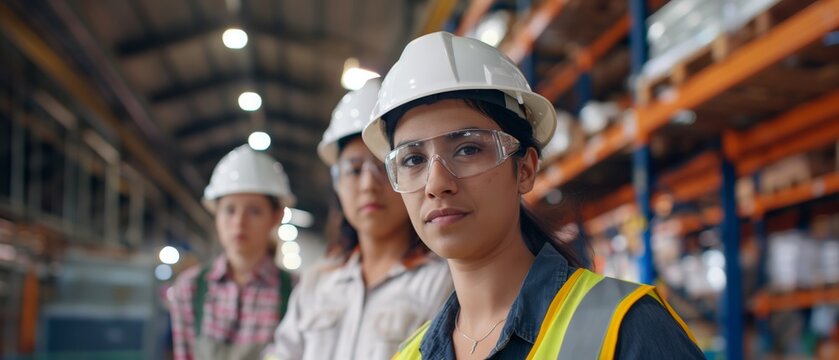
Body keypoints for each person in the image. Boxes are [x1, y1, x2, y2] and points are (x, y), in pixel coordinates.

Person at [361, 32, 705, 359]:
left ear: (525, 169)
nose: (436, 183)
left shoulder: (627, 327)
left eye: (467, 149)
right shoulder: (410, 355)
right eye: (413, 159)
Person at [263, 79, 453, 360]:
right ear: (337, 185)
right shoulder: (317, 282)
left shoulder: (440, 281)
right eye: (353, 170)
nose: (368, 185)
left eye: (382, 167)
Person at [168, 145, 296, 360]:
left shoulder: (297, 293)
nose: (239, 222)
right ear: (216, 214)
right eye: (230, 210)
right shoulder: (189, 289)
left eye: (254, 211)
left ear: (276, 217)